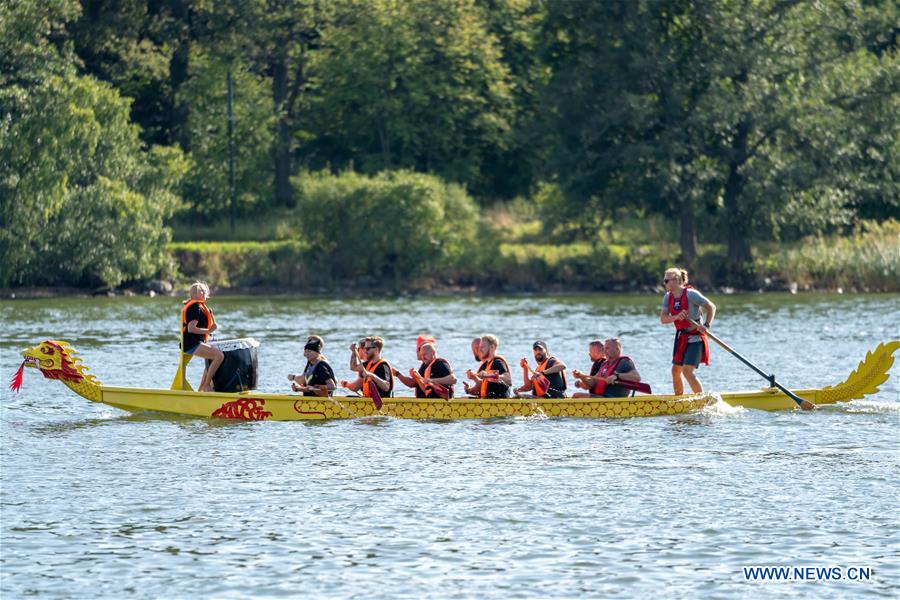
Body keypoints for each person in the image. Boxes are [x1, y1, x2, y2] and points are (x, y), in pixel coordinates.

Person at [660, 267, 717, 395]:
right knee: (675, 371)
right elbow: (663, 319)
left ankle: (701, 399)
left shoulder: (691, 294)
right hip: (682, 338)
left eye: (666, 281)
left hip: (696, 337)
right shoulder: (667, 297)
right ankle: (679, 400)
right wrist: (676, 317)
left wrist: (706, 325)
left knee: (687, 371)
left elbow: (711, 307)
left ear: (677, 280)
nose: (664, 283)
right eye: (664, 281)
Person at [181, 281, 224, 392]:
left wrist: (209, 331)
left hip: (196, 342)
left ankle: (201, 388)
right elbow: (191, 328)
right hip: (191, 344)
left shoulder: (200, 306)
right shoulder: (195, 307)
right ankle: (207, 386)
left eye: (205, 290)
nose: (204, 291)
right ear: (194, 294)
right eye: (201, 290)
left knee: (214, 356)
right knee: (219, 356)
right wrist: (209, 330)